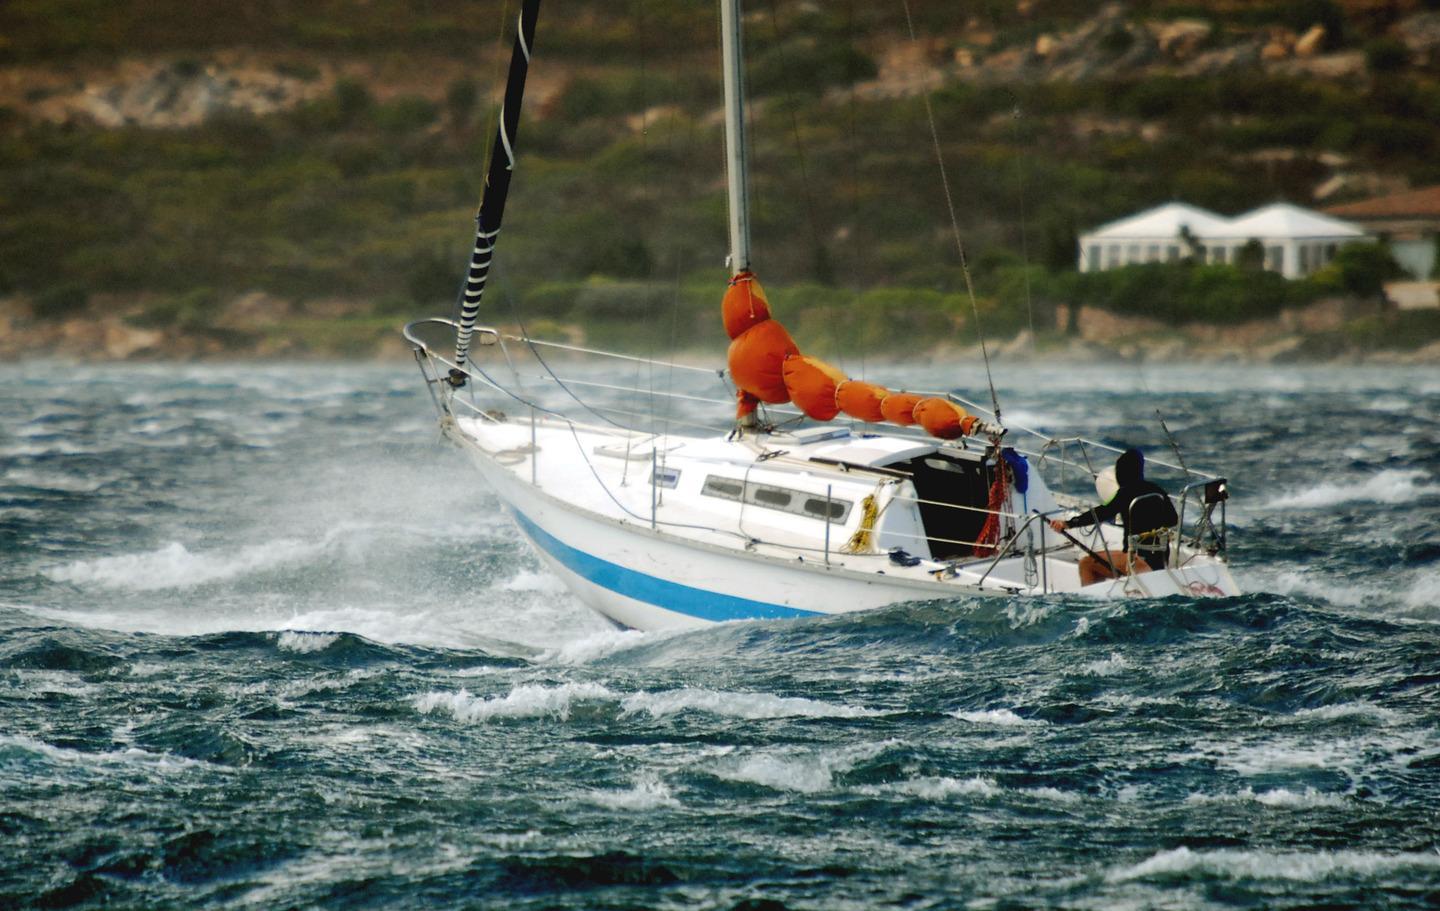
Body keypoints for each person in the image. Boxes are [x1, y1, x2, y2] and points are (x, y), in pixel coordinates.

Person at [1049, 448, 1178, 584]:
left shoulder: (1125, 493)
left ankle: (1092, 601)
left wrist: (1068, 524)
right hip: (1160, 560)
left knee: (1086, 563)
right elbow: (1173, 519)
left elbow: (1101, 513)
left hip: (1137, 561)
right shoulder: (1157, 490)